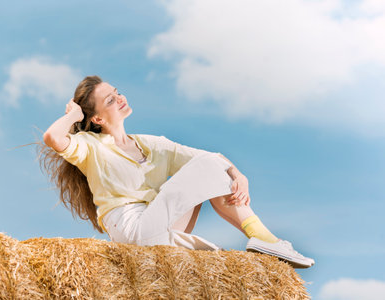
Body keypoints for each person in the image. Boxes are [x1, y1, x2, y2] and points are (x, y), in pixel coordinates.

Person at [40, 75, 314, 269]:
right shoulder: (91, 147)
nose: (120, 98)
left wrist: (239, 175)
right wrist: (74, 115)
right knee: (210, 166)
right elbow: (52, 137)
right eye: (110, 100)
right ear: (97, 118)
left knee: (214, 167)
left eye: (117, 92)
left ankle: (264, 239)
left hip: (160, 228)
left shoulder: (153, 144)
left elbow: (209, 159)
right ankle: (266, 239)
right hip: (133, 232)